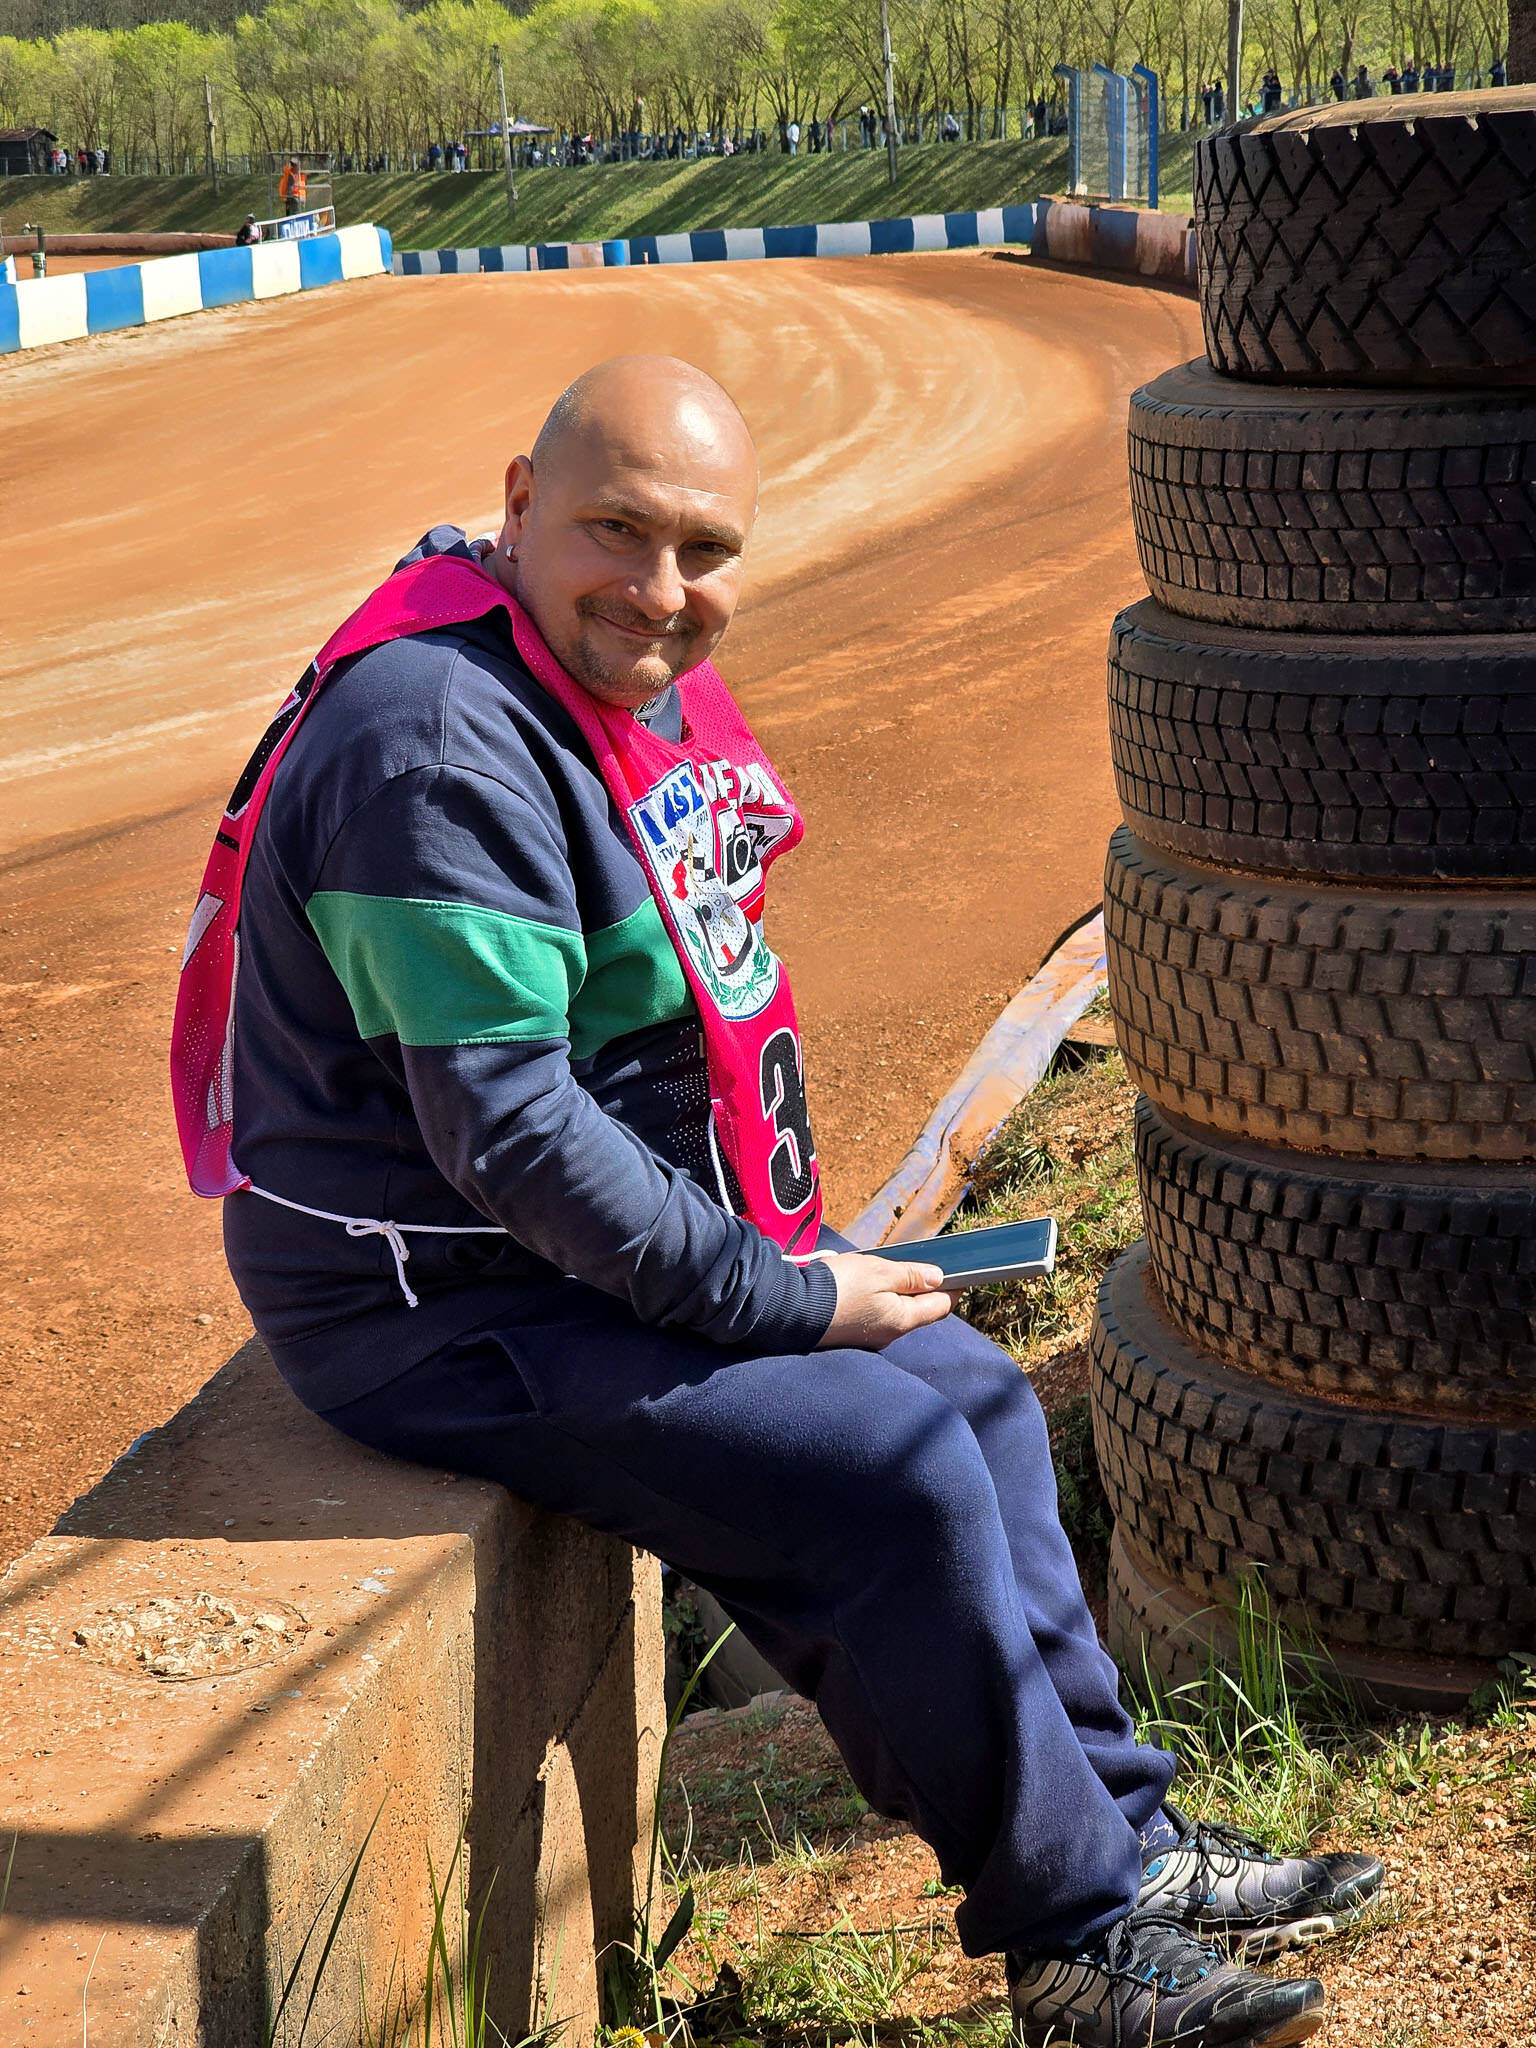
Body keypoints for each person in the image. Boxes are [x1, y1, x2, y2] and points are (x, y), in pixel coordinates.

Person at [174, 356, 1384, 2048]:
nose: (662, 590)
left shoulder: (585, 673)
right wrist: (788, 1294)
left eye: (706, 549)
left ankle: (1130, 1840)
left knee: (975, 1399)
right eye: (618, 530)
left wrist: (783, 1264)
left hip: (563, 1250)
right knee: (884, 1468)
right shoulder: (434, 748)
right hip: (431, 1302)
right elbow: (511, 1132)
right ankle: (1075, 1946)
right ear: (519, 501)